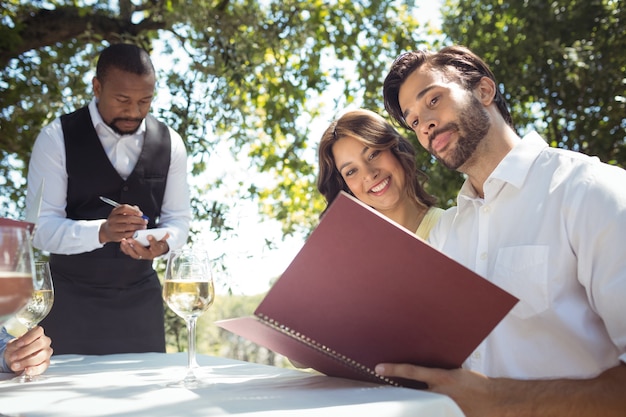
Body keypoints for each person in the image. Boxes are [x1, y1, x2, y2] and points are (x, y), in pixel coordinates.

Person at [374, 45, 626, 416]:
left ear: (484, 91)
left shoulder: (589, 191)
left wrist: (502, 402)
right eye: (413, 121)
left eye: (433, 100)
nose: (424, 125)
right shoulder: (447, 234)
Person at [25, 43, 192, 355]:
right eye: (122, 100)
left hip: (141, 306)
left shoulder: (171, 143)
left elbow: (179, 221)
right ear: (97, 87)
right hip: (69, 304)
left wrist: (164, 243)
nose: (134, 111)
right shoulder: (56, 138)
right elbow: (40, 229)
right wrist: (102, 231)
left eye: (145, 101)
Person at [317, 108, 443, 240]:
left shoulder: (456, 228)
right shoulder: (354, 257)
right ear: (346, 187)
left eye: (373, 154)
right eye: (351, 171)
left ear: (395, 148)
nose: (369, 174)